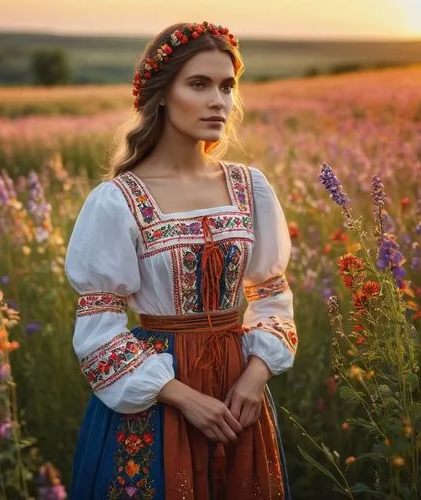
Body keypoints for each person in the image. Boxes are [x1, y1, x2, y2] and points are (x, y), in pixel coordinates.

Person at [65, 20, 298, 500]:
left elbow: (271, 295)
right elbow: (98, 334)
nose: (219, 100)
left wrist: (256, 376)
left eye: (227, 86)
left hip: (240, 397)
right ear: (162, 94)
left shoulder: (249, 188)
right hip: (156, 398)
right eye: (199, 84)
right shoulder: (117, 200)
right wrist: (183, 397)